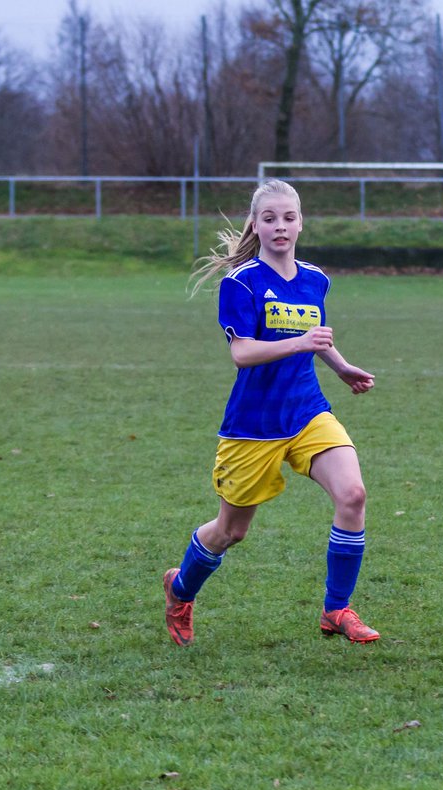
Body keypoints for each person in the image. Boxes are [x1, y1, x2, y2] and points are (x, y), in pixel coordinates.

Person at [162, 179, 379, 646]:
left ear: (301, 222)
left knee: (353, 495)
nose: (280, 226)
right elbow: (242, 353)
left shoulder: (315, 279)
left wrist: (340, 367)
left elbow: (315, 334)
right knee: (230, 532)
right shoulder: (240, 284)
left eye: (288, 217)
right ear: (255, 226)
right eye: (269, 218)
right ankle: (180, 590)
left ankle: (335, 609)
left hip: (306, 412)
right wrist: (300, 342)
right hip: (252, 426)